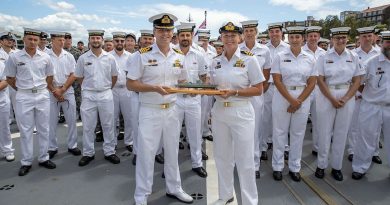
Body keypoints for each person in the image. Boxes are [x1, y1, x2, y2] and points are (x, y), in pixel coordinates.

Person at [127, 13, 193, 204]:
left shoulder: (179, 55)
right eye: (161, 30)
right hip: (150, 109)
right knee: (146, 153)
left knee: (172, 151)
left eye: (168, 30)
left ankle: (174, 188)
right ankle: (141, 194)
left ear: (173, 33)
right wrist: (153, 88)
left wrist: (195, 89)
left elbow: (183, 81)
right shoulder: (142, 55)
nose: (165, 34)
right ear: (155, 32)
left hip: (172, 109)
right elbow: (131, 84)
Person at [210, 21, 264, 205]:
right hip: (219, 112)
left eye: (233, 35)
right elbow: (211, 86)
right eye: (226, 35)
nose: (229, 38)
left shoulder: (250, 59)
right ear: (221, 39)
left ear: (240, 37)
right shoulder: (215, 61)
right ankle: (225, 196)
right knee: (222, 157)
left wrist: (236, 92)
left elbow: (258, 89)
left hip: (241, 111)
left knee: (245, 160)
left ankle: (250, 201)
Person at [315, 27, 364, 181]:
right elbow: (320, 79)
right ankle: (321, 165)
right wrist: (332, 98)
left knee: (341, 133)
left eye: (343, 37)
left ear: (347, 39)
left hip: (346, 95)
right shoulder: (323, 57)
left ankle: (336, 167)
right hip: (327, 94)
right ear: (332, 40)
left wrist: (347, 97)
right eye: (337, 38)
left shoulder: (354, 56)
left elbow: (357, 80)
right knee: (324, 132)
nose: (340, 40)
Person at [5, 28, 56, 176]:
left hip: (41, 95)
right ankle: (26, 162)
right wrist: (22, 89)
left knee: (44, 128)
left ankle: (44, 158)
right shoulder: (15, 57)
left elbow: (50, 77)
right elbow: (10, 78)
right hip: (24, 96)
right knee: (26, 130)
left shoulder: (46, 57)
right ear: (24, 39)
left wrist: (41, 88)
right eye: (29, 39)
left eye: (35, 39)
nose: (32, 42)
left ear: (39, 41)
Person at [271, 26, 317, 182]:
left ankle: (294, 167)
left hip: (302, 96)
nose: (295, 39)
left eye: (298, 36)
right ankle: (277, 166)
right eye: (292, 36)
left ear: (302, 38)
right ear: (288, 38)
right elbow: (277, 80)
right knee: (279, 132)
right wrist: (291, 100)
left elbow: (312, 82)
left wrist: (299, 101)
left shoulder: (310, 58)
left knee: (298, 134)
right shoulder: (279, 56)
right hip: (283, 95)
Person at [75, 29, 120, 167]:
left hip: (106, 93)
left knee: (108, 124)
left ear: (102, 40)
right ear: (89, 40)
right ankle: (88, 153)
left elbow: (114, 77)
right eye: (93, 38)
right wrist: (90, 89)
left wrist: (104, 88)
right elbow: (79, 77)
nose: (95, 40)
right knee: (88, 126)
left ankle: (109, 151)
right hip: (89, 94)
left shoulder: (110, 58)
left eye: (98, 38)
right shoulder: (83, 58)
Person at [351, 31, 390, 180]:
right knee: (365, 137)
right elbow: (358, 83)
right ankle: (360, 167)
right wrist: (368, 94)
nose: (389, 45)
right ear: (381, 43)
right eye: (387, 42)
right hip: (372, 105)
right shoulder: (371, 63)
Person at [175, 23, 208, 178]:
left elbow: (204, 77)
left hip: (193, 99)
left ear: (191, 36)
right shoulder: (172, 54)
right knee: (172, 134)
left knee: (195, 134)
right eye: (182, 35)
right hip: (175, 99)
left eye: (188, 35)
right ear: (178, 36)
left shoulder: (198, 55)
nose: (185, 38)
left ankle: (197, 164)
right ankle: (171, 167)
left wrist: (199, 90)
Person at [240, 20, 272, 179]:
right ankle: (240, 163)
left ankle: (254, 165)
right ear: (243, 33)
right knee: (239, 131)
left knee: (255, 130)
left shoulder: (264, 50)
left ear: (256, 32)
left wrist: (259, 91)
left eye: (252, 30)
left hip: (256, 95)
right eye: (246, 30)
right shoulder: (238, 50)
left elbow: (266, 74)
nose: (249, 33)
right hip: (239, 95)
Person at [347, 26, 382, 164]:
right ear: (359, 38)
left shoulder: (381, 53)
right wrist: (355, 92)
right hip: (357, 95)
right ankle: (352, 150)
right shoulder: (353, 54)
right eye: (364, 36)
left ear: (374, 37)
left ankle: (374, 152)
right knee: (354, 124)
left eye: (369, 36)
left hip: (375, 97)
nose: (367, 39)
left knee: (375, 127)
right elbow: (350, 76)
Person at [47, 32, 80, 159]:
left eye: (63, 40)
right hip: (51, 91)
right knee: (51, 121)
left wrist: (63, 89)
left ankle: (72, 145)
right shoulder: (45, 56)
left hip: (67, 90)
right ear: (52, 40)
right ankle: (52, 147)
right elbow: (44, 76)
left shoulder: (69, 56)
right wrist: (55, 91)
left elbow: (74, 74)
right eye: (59, 40)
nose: (62, 42)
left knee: (71, 120)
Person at [265, 22, 290, 159]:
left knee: (282, 119)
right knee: (266, 117)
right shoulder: (263, 48)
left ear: (282, 33)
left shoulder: (288, 48)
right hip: (268, 87)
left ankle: (284, 145)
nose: (274, 34)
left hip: (283, 88)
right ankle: (268, 141)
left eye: (277, 31)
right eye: (272, 31)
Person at [302, 26, 326, 156]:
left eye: (315, 35)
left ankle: (316, 147)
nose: (313, 38)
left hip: (319, 90)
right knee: (300, 122)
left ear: (319, 37)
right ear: (306, 37)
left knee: (318, 121)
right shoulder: (300, 51)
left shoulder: (324, 53)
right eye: (310, 36)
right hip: (304, 90)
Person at [109, 31, 133, 150]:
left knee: (129, 117)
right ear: (113, 41)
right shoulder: (107, 56)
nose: (119, 43)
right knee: (112, 118)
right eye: (117, 41)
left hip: (126, 90)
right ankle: (112, 143)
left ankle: (129, 141)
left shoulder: (131, 56)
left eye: (121, 41)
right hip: (112, 90)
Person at [0, 58, 14, 162]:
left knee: (4, 127)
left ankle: (7, 150)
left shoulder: (1, 64)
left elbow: (6, 81)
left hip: (1, 101)